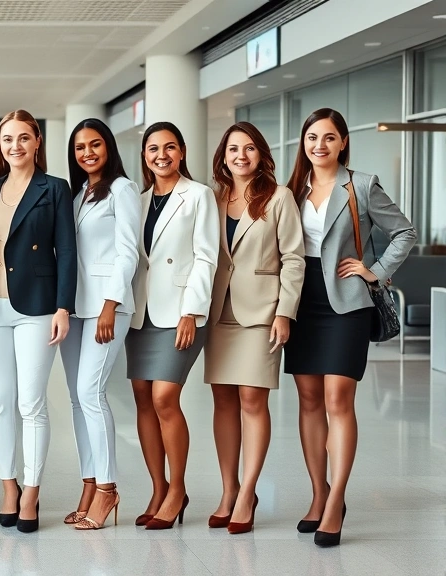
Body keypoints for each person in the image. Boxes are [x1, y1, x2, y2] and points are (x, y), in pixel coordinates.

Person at [283, 108, 415, 547]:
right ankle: (318, 492)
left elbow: (404, 232)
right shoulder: (291, 190)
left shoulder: (361, 184)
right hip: (302, 302)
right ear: (303, 143)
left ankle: (337, 499)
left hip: (347, 302)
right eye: (312, 137)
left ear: (343, 142)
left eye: (329, 137)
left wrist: (374, 271)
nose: (319, 145)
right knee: (308, 399)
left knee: (338, 398)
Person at [0, 110, 76, 533]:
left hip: (37, 307)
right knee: (0, 400)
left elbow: (66, 251)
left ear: (36, 142)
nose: (14, 146)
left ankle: (31, 491)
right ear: (0, 145)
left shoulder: (55, 189)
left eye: (23, 138)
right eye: (7, 139)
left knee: (30, 402)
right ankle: (8, 486)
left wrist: (63, 307)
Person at [204, 122, 305, 534]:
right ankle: (228, 490)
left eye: (249, 149)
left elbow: (294, 258)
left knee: (251, 400)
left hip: (261, 311)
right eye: (233, 149)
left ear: (262, 155)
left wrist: (285, 311)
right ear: (223, 157)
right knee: (223, 401)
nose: (240, 156)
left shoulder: (278, 198)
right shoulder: (211, 198)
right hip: (217, 311)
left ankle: (248, 492)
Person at [126, 121, 219, 530]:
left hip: (181, 311)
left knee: (165, 397)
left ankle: (178, 489)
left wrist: (191, 311)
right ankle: (158, 488)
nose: (160, 155)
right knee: (143, 398)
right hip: (142, 312)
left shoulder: (199, 196)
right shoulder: (138, 200)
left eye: (168, 147)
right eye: (152, 149)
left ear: (181, 151)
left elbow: (207, 256)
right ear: (144, 156)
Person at [58, 118, 141, 530]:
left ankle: (108, 488)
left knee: (92, 392)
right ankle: (89, 483)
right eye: (79, 147)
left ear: (108, 146)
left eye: (94, 144)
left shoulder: (123, 189)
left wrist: (111, 303)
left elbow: (128, 252)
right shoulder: (78, 194)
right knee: (77, 397)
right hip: (75, 308)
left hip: (107, 307)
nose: (87, 152)